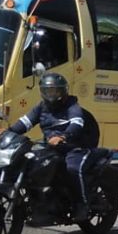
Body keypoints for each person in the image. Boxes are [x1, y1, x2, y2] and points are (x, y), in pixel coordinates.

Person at [8, 72, 93, 222]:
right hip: (51, 148)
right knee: (32, 164)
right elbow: (26, 122)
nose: (50, 94)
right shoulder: (42, 107)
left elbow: (77, 123)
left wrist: (63, 136)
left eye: (54, 91)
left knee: (73, 169)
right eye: (47, 91)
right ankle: (40, 200)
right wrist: (9, 132)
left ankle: (81, 205)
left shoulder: (72, 106)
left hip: (74, 147)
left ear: (62, 91)